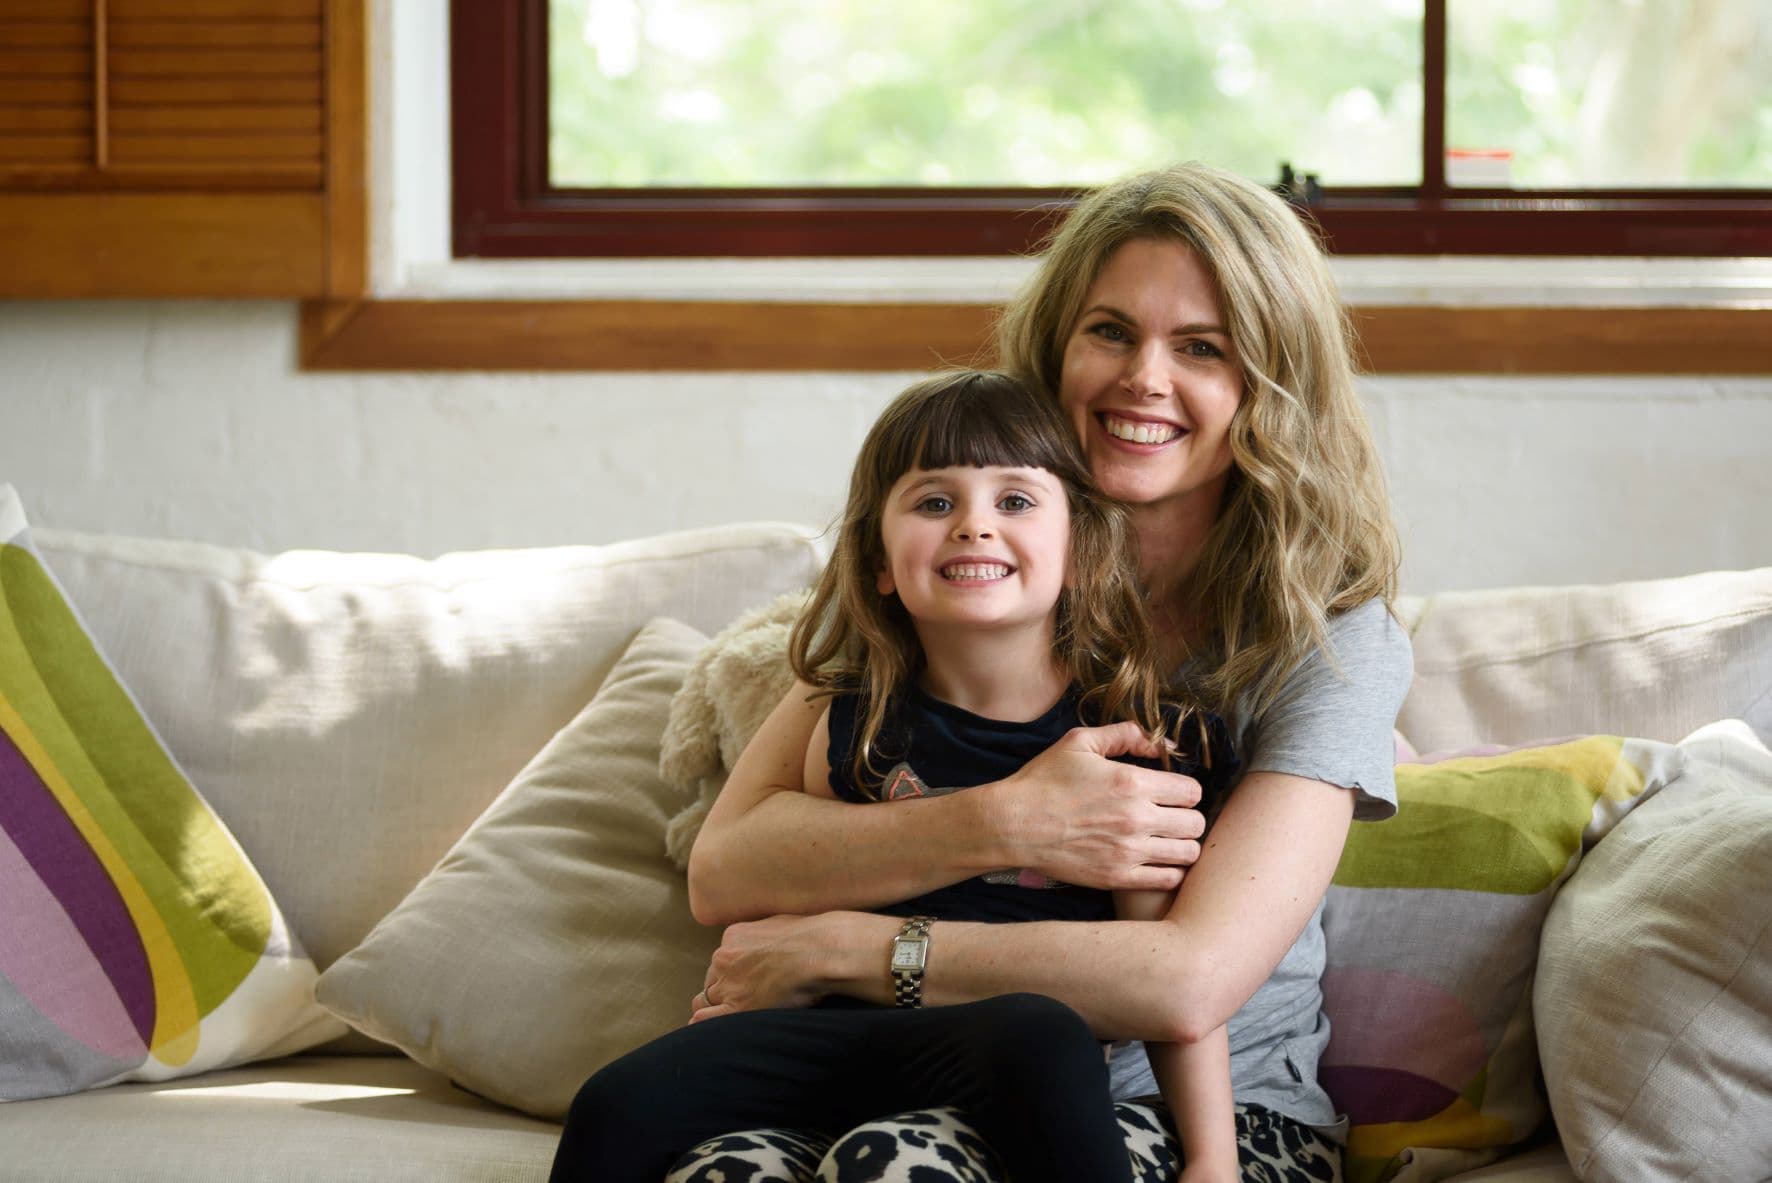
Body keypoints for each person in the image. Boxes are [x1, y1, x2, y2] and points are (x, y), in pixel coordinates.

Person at [679, 161, 1410, 1181]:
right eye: (1109, 331)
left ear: (1267, 388)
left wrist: (849, 946)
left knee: (894, 1168)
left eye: (1199, 348)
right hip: (907, 1070)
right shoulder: (957, 568)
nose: (1142, 378)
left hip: (1209, 1119)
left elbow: (1186, 977)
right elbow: (728, 867)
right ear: (1054, 349)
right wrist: (1015, 819)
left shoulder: (1325, 635)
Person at [550, 369, 1245, 1182]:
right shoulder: (839, 706)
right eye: (934, 502)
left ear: (1083, 551)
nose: (974, 527)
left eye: (1014, 502)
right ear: (880, 560)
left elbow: (1162, 978)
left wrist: (1212, 1155)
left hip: (997, 1043)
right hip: (829, 1030)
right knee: (616, 1098)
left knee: (1044, 1032)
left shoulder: (1131, 735)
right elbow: (737, 875)